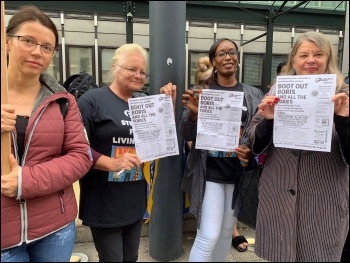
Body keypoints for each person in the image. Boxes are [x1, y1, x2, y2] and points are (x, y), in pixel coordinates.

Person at [245, 31, 349, 262]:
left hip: (323, 204)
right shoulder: (275, 93)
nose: (310, 60)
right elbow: (252, 141)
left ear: (328, 59)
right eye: (303, 55)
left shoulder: (344, 97)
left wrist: (343, 121)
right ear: (293, 60)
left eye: (318, 54)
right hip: (278, 198)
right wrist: (269, 120)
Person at [1, 5, 93, 262]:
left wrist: (25, 181)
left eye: (46, 47)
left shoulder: (63, 101)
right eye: (27, 40)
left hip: (55, 228)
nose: (36, 52)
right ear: (7, 42)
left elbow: (81, 156)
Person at [77, 43, 176, 262]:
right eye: (132, 69)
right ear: (114, 68)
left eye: (142, 71)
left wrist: (166, 107)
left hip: (135, 199)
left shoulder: (143, 103)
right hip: (104, 202)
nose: (138, 75)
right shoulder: (92, 101)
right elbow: (76, 148)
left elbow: (161, 141)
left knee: (131, 259)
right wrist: (111, 163)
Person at [180, 38, 263, 262]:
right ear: (214, 61)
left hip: (238, 173)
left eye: (232, 52)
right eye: (221, 53)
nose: (228, 57)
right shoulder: (202, 92)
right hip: (210, 173)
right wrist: (195, 115)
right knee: (207, 235)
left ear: (237, 58)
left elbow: (261, 132)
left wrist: (248, 146)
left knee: (227, 233)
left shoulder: (253, 94)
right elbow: (186, 133)